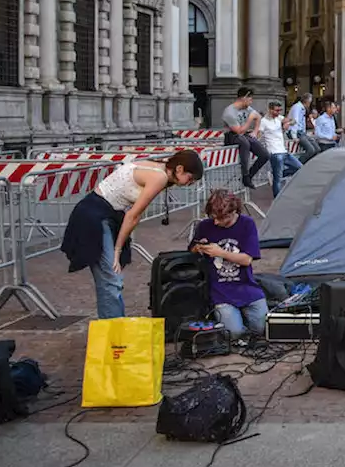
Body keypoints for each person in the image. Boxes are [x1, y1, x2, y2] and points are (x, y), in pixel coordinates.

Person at [61, 150, 204, 319]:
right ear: (179, 169)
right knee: (111, 279)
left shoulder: (158, 168)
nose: (190, 184)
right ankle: (115, 333)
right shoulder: (160, 177)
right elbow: (133, 216)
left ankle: (116, 327)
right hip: (95, 217)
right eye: (190, 178)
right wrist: (117, 250)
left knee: (112, 280)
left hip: (102, 213)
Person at [190, 190, 267, 341]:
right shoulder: (205, 226)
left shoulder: (246, 224)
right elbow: (192, 248)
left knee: (262, 328)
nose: (216, 222)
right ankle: (233, 320)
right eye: (213, 217)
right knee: (233, 333)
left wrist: (220, 252)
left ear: (232, 213)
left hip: (246, 286)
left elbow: (246, 259)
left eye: (220, 218)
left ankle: (240, 318)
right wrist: (199, 248)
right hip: (220, 291)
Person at [222, 87, 268, 189]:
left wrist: (255, 131)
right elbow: (238, 131)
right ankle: (245, 174)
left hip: (244, 135)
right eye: (250, 99)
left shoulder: (247, 109)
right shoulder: (229, 112)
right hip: (232, 135)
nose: (251, 102)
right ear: (244, 98)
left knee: (265, 154)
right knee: (244, 142)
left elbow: (258, 117)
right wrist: (250, 120)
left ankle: (248, 177)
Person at [259, 101, 302, 198]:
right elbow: (259, 134)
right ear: (270, 110)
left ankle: (275, 174)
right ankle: (277, 199)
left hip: (283, 151)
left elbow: (294, 120)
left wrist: (288, 123)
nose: (278, 112)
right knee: (277, 180)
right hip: (274, 152)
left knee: (299, 167)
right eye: (276, 110)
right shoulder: (264, 121)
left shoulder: (280, 118)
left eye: (280, 110)